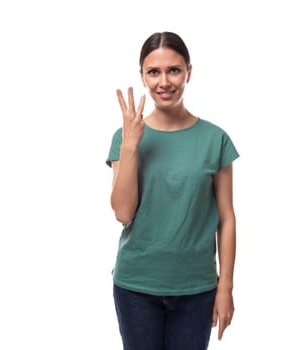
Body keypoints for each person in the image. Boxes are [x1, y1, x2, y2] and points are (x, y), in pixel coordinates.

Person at [106, 31, 239, 350]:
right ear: (142, 76)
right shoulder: (124, 139)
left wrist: (225, 287)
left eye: (174, 70)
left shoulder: (215, 139)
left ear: (188, 72)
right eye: (154, 72)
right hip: (136, 286)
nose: (164, 81)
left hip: (196, 289)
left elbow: (227, 219)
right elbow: (123, 213)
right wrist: (130, 146)